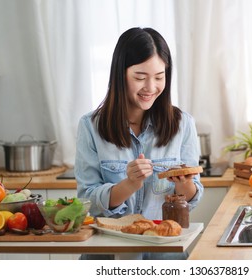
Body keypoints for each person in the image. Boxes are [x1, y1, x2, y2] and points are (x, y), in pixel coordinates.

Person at [75, 27, 204, 260]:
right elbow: (87, 201)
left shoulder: (182, 124)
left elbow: (191, 198)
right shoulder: (90, 126)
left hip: (165, 255)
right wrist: (129, 184)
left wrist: (184, 184)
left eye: (159, 76)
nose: (151, 87)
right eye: (140, 77)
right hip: (107, 254)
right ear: (120, 74)